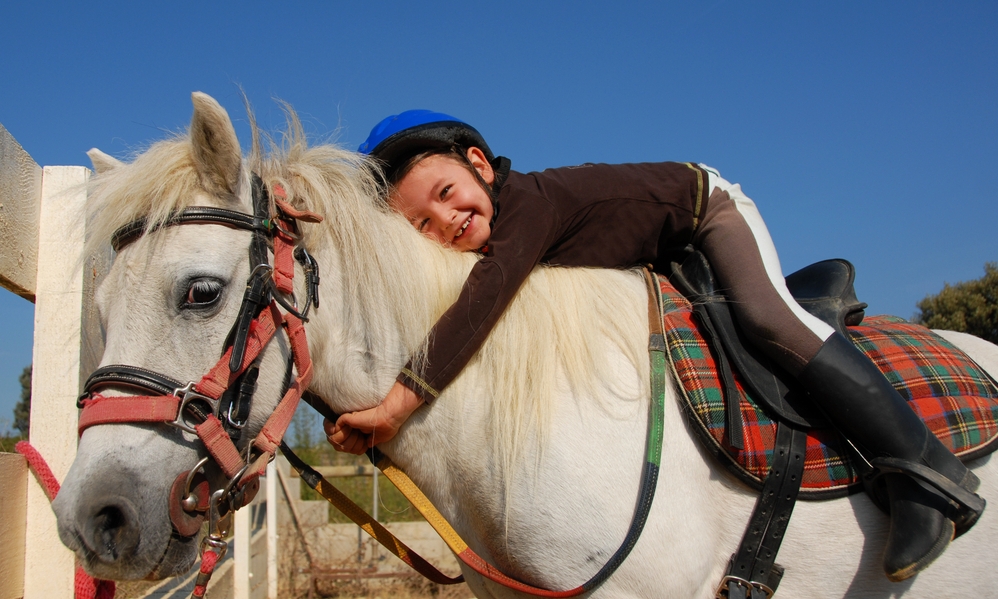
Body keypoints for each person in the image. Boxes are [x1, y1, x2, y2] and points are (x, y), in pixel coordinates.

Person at [324, 110, 984, 580]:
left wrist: (394, 407)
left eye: (446, 193)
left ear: (478, 164)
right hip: (658, 253)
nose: (448, 219)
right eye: (424, 224)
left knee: (769, 320)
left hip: (708, 212)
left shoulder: (528, 207)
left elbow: (480, 304)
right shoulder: (503, 227)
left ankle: (926, 475)